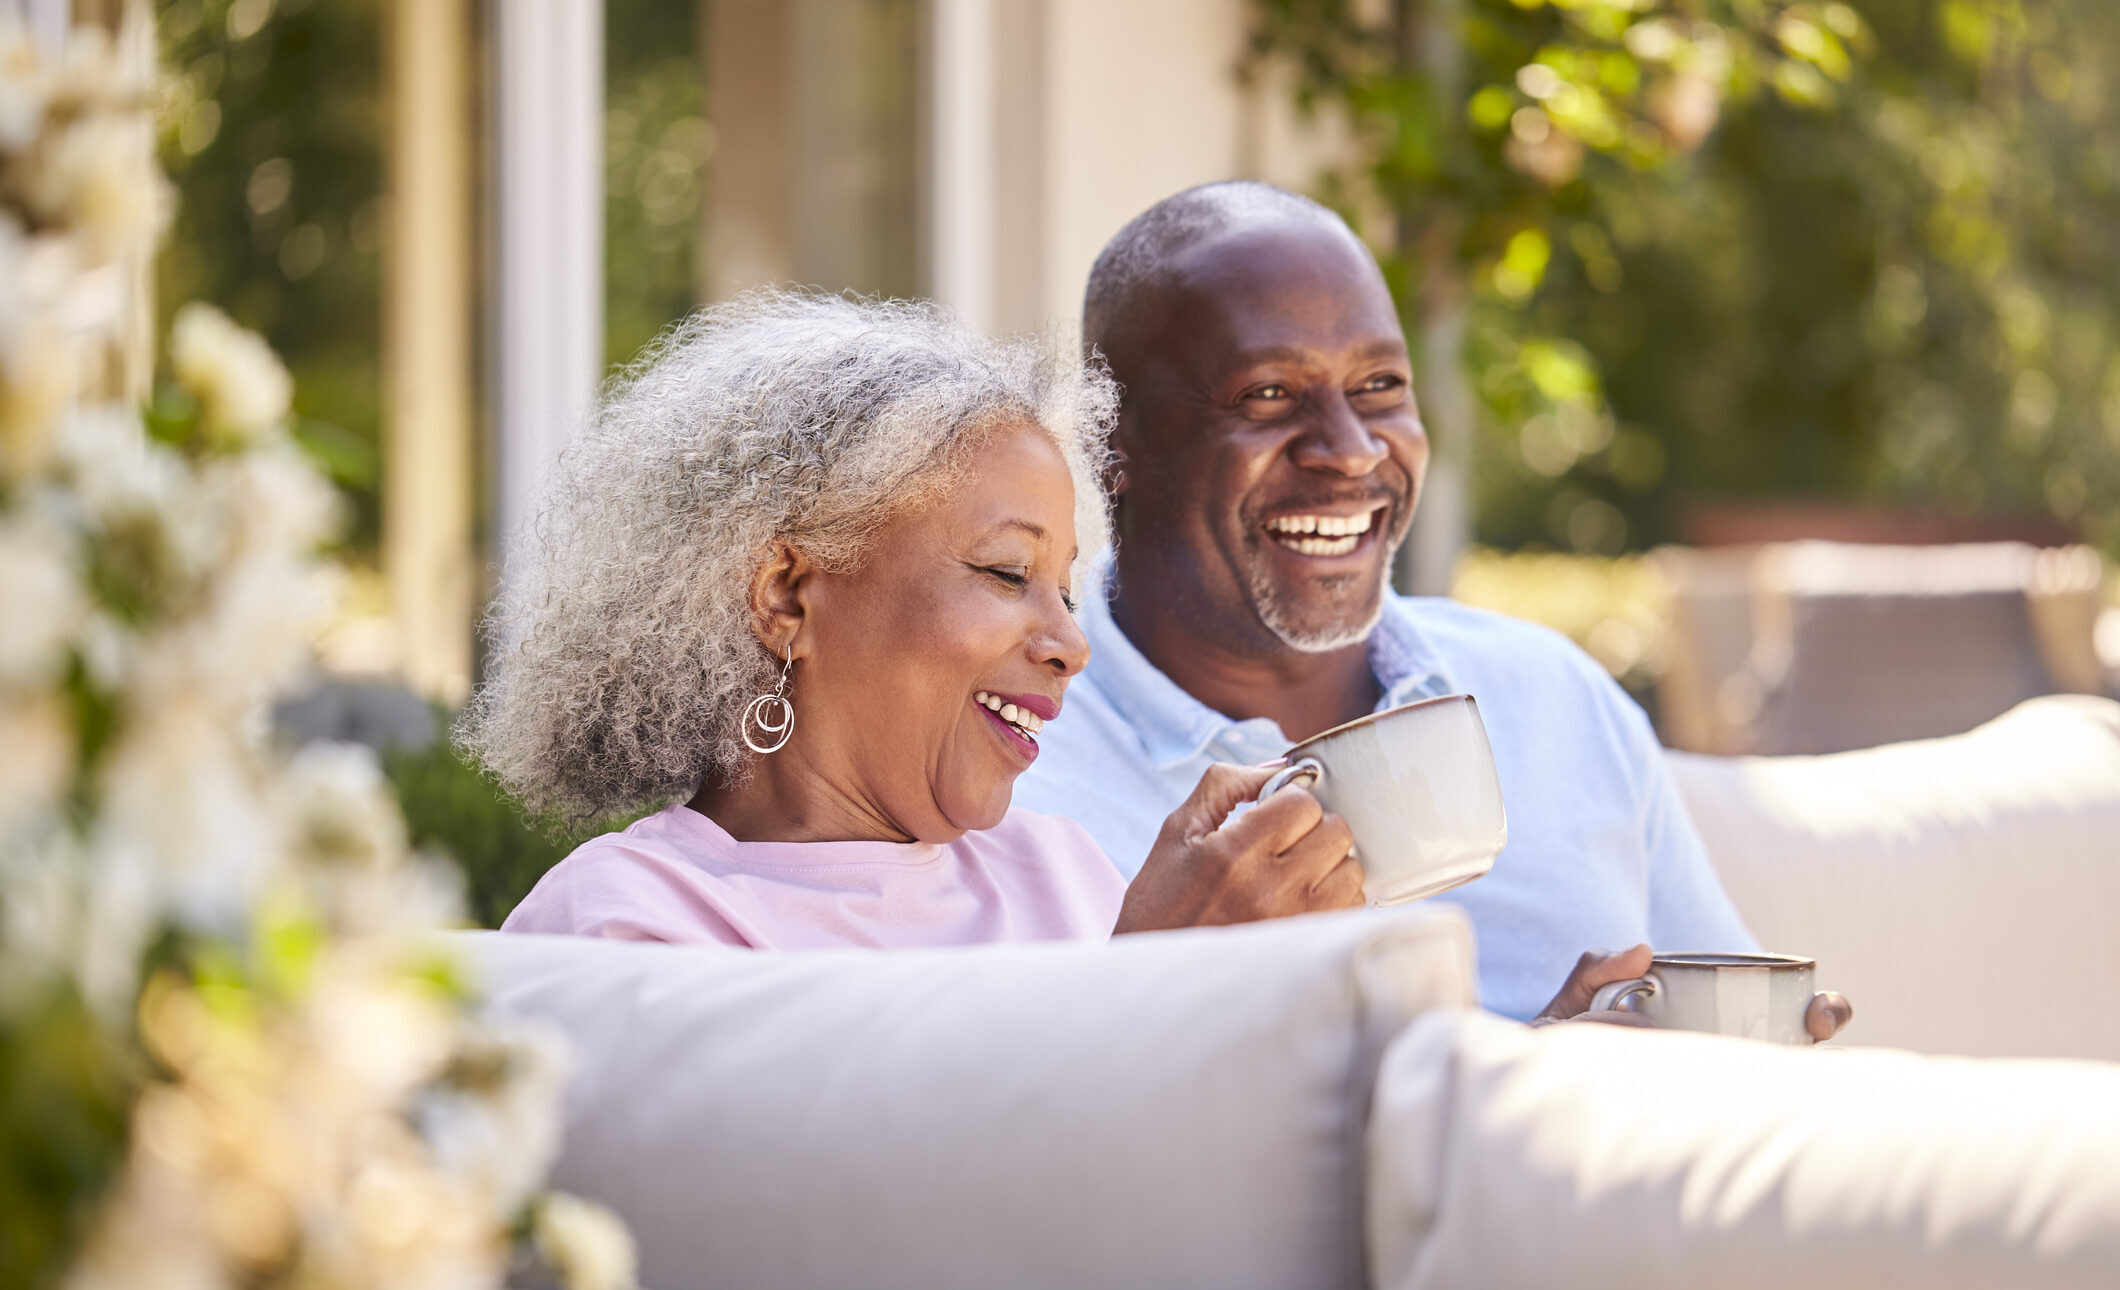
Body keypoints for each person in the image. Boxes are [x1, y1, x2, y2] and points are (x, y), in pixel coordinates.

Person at [1009, 181, 1850, 1034]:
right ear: (1114, 443)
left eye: (1379, 386)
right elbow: (987, 1154)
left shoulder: (1551, 697)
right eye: (1268, 394)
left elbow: (1737, 1039)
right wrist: (1154, 984)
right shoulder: (1009, 768)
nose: (1351, 449)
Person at [464, 291, 1363, 949]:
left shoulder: (1060, 874)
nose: (1072, 646)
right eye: (1007, 571)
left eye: (1067, 591)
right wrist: (1157, 975)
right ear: (785, 594)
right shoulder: (631, 920)